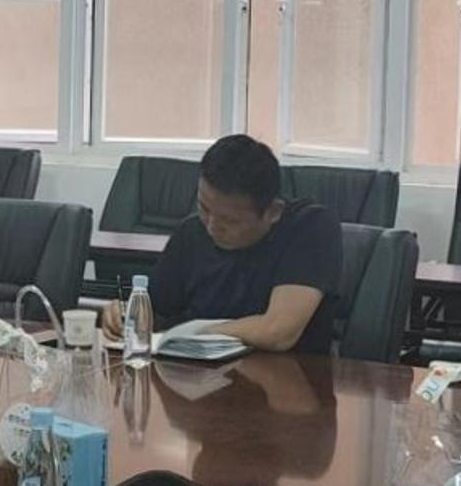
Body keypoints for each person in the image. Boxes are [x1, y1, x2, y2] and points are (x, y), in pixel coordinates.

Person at [103, 134, 343, 354]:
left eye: (230, 220)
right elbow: (155, 314)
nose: (211, 226)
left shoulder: (309, 227)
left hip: (289, 379)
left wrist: (196, 332)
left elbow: (278, 332)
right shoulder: (191, 232)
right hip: (199, 377)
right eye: (204, 208)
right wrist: (127, 315)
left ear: (272, 212)